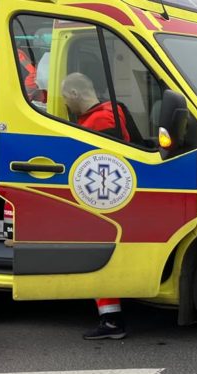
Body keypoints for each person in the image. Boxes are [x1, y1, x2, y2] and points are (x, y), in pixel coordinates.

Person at [61, 73, 129, 340]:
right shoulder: (109, 112)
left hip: (98, 198)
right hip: (103, 196)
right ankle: (111, 319)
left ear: (75, 94)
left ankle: (112, 321)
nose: (66, 103)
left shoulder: (99, 120)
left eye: (66, 97)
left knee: (97, 257)